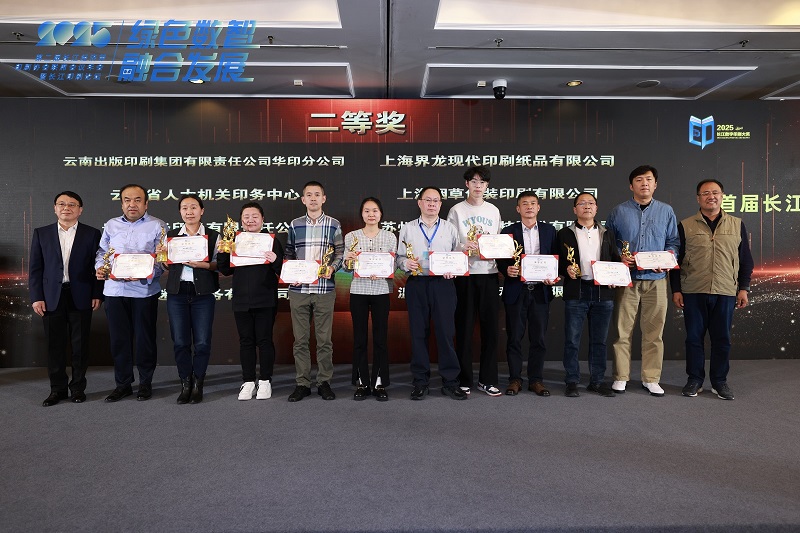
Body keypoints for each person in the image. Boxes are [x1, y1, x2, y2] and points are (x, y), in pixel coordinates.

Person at [670, 179, 754, 400]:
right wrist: (676, 289)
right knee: (693, 338)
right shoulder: (686, 225)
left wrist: (743, 288)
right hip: (693, 290)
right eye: (705, 193)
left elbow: (745, 260)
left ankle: (719, 381)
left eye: (715, 192)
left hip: (725, 290)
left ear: (722, 196)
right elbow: (675, 261)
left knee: (722, 339)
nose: (711, 196)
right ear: (698, 198)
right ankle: (694, 380)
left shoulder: (737, 224)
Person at [605, 165, 680, 396]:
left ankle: (651, 378)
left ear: (655, 184)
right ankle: (621, 376)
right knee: (622, 332)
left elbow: (673, 242)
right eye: (639, 180)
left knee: (654, 333)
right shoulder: (618, 211)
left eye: (648, 179)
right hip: (626, 280)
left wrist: (667, 259)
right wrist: (620, 255)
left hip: (657, 279)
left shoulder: (666, 211)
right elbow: (609, 242)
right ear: (631, 185)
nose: (644, 183)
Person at [29, 191, 103, 406]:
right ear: (55, 208)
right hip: (51, 296)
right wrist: (36, 297)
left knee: (80, 346)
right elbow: (35, 269)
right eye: (61, 204)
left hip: (81, 295)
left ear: (80, 210)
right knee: (55, 346)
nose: (66, 208)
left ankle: (78, 388)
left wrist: (97, 293)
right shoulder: (42, 233)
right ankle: (57, 389)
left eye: (72, 204)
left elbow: (98, 266)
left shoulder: (92, 234)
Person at [95, 184, 165, 402]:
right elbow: (102, 252)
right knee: (119, 340)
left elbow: (162, 260)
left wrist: (147, 272)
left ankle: (145, 383)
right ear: (121, 203)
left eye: (137, 200)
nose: (132, 204)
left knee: (145, 340)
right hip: (114, 291)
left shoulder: (157, 225)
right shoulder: (111, 225)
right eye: (127, 200)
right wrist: (100, 267)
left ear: (146, 203)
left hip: (144, 291)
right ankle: (123, 384)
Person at [397, 186, 466, 400]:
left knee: (446, 333)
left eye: (436, 201)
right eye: (428, 200)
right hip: (417, 283)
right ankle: (420, 381)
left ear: (440, 204)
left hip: (443, 285)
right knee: (419, 333)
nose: (432, 204)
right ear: (419, 203)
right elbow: (399, 258)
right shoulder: (407, 228)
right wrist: (405, 263)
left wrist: (453, 269)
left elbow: (457, 256)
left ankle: (450, 381)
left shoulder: (449, 228)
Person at [217, 202, 284, 401]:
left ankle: (265, 380)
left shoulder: (271, 241)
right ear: (241, 220)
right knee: (246, 341)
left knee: (264, 340)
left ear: (262, 219)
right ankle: (247, 381)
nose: (250, 220)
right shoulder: (234, 240)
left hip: (265, 299)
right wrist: (223, 251)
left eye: (255, 216)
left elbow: (282, 270)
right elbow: (225, 270)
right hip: (241, 300)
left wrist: (275, 260)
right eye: (246, 217)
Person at [285, 181, 344, 402]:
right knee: (300, 340)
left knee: (324, 340)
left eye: (317, 194)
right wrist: (291, 273)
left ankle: (324, 382)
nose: (313, 198)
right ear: (303, 199)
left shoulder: (334, 224)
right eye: (308, 195)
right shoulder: (295, 224)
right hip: (299, 289)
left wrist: (332, 268)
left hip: (324, 289)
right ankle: (302, 383)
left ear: (323, 198)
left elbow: (340, 252)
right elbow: (289, 253)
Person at [557, 192, 621, 398]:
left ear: (596, 208)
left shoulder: (607, 233)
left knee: (599, 341)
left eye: (591, 203)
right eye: (582, 203)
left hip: (602, 292)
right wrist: (565, 269)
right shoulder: (564, 233)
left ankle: (597, 381)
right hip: (576, 291)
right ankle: (572, 381)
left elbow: (615, 259)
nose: (587, 206)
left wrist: (615, 276)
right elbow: (557, 261)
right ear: (574, 209)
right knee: (572, 340)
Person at [158, 194, 220, 404]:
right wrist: (163, 257)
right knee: (180, 342)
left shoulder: (213, 235)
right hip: (177, 293)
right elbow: (166, 266)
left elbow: (219, 264)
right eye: (185, 208)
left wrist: (204, 265)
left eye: (194, 207)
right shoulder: (171, 236)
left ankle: (198, 383)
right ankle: (185, 383)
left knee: (202, 342)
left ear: (202, 211)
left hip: (203, 294)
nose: (189, 212)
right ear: (180, 212)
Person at [446, 165, 502, 397]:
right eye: (474, 181)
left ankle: (487, 380)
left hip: (489, 274)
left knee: (490, 330)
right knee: (464, 328)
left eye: (482, 182)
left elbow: (499, 243)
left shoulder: (493, 210)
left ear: (487, 186)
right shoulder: (456, 211)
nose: (478, 186)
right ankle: (464, 378)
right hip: (465, 275)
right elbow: (449, 243)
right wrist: (462, 246)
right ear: (466, 184)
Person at [496, 192, 559, 397]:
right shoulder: (508, 231)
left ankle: (536, 380)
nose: (529, 207)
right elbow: (501, 260)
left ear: (538, 207)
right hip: (517, 291)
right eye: (525, 204)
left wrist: (553, 276)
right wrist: (506, 269)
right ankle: (515, 379)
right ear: (518, 209)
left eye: (533, 203)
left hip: (540, 291)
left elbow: (556, 258)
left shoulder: (549, 230)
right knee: (514, 337)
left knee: (538, 339)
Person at [343, 197, 397, 401]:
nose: (371, 214)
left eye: (375, 210)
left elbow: (393, 265)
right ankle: (362, 383)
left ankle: (379, 383)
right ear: (362, 214)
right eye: (367, 211)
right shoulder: (351, 237)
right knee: (359, 338)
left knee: (380, 339)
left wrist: (382, 270)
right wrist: (349, 261)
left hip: (381, 290)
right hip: (359, 290)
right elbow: (347, 267)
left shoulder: (390, 237)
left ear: (381, 214)